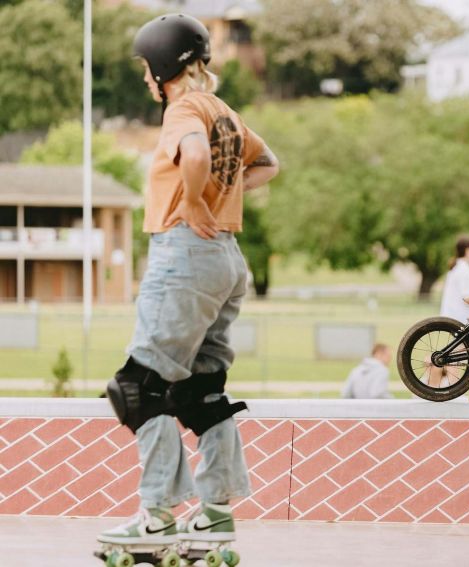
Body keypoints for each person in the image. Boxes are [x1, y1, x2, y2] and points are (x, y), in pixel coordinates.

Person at [99, 14, 279, 550]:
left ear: (160, 66)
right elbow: (267, 163)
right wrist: (223, 196)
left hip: (184, 252)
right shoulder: (224, 110)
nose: (145, 79)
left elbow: (195, 155)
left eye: (145, 69)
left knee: (138, 387)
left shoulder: (182, 109)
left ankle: (157, 513)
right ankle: (215, 513)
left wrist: (197, 200)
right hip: (226, 258)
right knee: (202, 390)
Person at [440, 235, 469, 324]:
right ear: (467, 250)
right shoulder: (464, 270)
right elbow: (468, 298)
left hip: (453, 314)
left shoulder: (457, 267)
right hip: (461, 317)